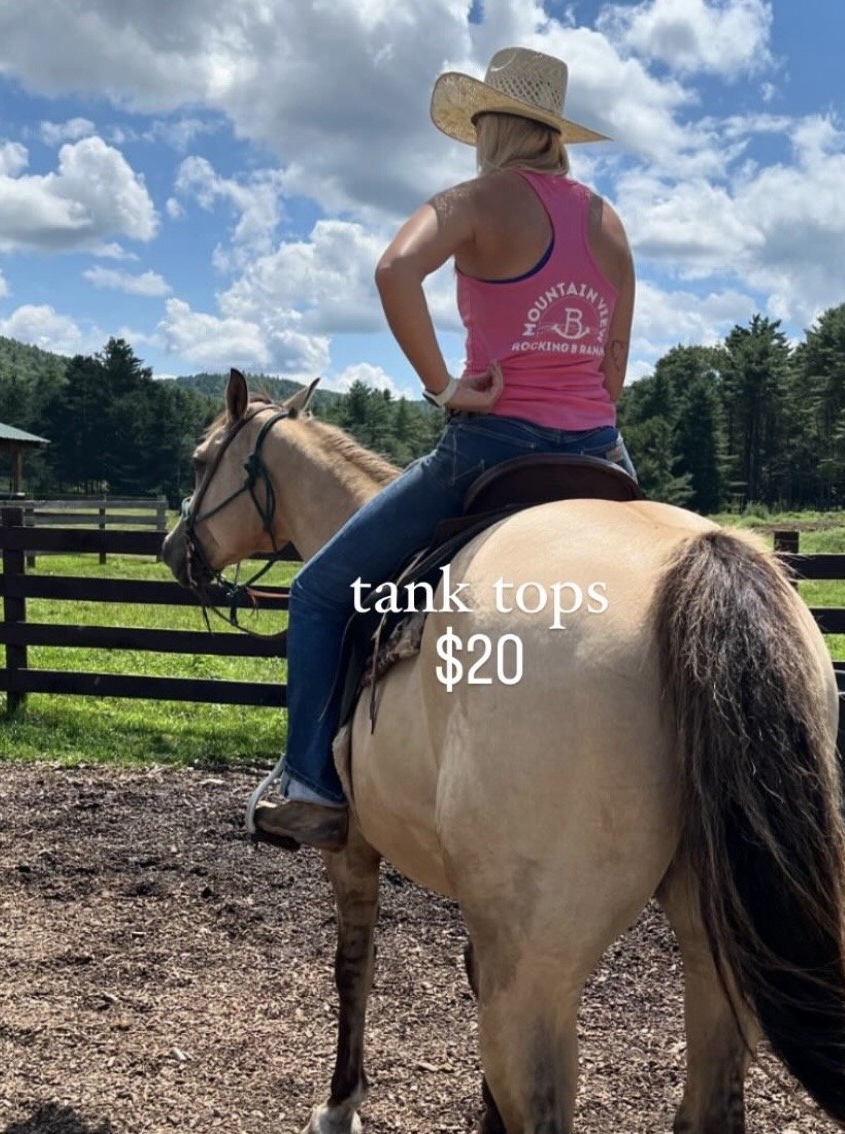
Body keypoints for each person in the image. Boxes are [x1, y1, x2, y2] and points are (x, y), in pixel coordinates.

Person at [250, 45, 638, 851]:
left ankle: (312, 786)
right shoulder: (608, 222)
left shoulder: (472, 201)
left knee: (320, 593)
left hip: (492, 448)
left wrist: (443, 386)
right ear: (555, 132)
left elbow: (395, 269)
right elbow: (613, 367)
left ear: (492, 126)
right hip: (602, 455)